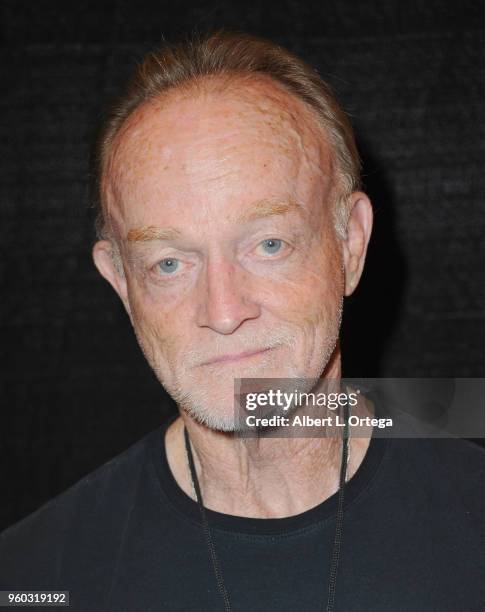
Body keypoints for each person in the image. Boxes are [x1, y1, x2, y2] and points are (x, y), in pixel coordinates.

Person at [1, 30, 484, 612]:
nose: (225, 313)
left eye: (269, 244)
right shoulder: (35, 577)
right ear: (122, 283)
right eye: (170, 262)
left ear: (349, 243)